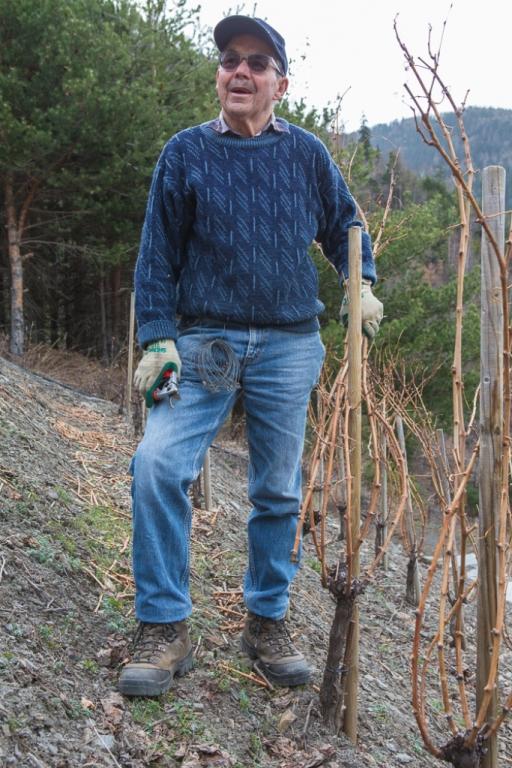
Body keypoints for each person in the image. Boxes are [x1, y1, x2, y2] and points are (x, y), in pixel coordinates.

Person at [118, 15, 383, 697]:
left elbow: (346, 225)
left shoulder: (306, 155)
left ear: (280, 85)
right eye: (230, 59)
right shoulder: (185, 152)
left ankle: (266, 622)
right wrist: (157, 338)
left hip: (289, 344)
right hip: (204, 342)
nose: (240, 71)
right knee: (157, 465)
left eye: (257, 63)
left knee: (277, 490)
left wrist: (360, 285)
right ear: (220, 76)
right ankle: (163, 626)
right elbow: (156, 254)